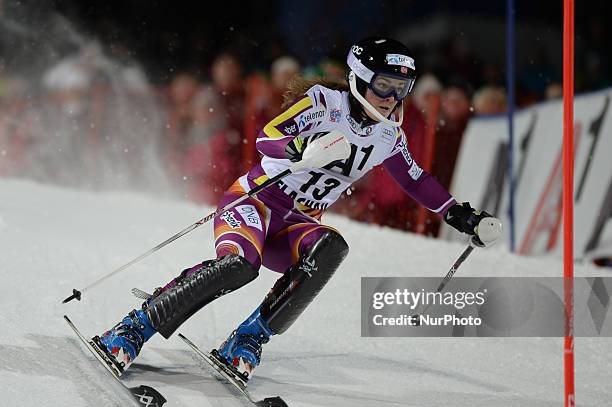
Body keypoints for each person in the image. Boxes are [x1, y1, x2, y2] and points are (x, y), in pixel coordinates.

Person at [94, 37, 500, 384]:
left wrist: (458, 215)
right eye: (384, 86)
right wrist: (301, 149)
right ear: (358, 79)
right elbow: (268, 137)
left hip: (299, 221)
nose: (393, 99)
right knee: (239, 266)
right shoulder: (326, 103)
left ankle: (248, 339)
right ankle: (133, 327)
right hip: (255, 203)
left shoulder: (388, 134)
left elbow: (415, 180)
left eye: (401, 88)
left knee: (332, 248)